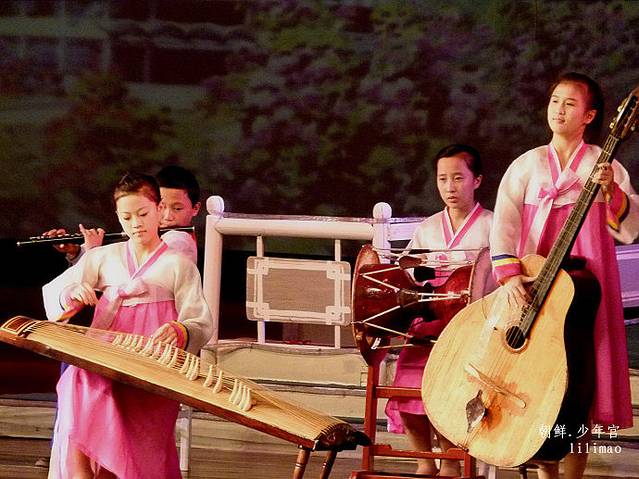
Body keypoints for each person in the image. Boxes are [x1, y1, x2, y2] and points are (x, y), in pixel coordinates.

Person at [490, 72, 639, 479]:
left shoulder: (603, 163)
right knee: (536, 370)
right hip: (536, 276)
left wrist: (612, 192)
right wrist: (510, 276)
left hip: (588, 280)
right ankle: (544, 471)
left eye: (570, 104)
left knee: (581, 378)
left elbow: (628, 228)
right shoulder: (527, 164)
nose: (558, 110)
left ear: (589, 115)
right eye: (555, 100)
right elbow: (504, 223)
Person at [42, 173, 214, 478]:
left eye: (143, 214)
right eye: (126, 217)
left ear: (158, 210)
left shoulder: (178, 264)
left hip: (150, 362)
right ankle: (81, 473)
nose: (136, 224)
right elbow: (60, 291)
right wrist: (74, 293)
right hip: (105, 356)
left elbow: (199, 320)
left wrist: (179, 330)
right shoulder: (103, 256)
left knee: (134, 450)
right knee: (79, 381)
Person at [385, 144, 493, 476]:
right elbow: (411, 274)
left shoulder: (492, 225)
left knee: (448, 390)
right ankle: (424, 462)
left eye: (458, 178)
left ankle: (450, 462)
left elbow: (501, 280)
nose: (450, 187)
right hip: (430, 322)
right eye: (443, 179)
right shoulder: (428, 228)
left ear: (477, 180)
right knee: (407, 381)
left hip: (472, 326)